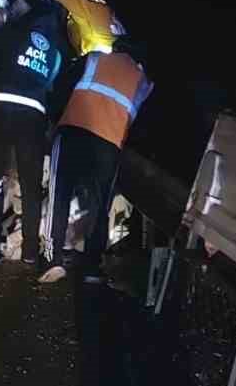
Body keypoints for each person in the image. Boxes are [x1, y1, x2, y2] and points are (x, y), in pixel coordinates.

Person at [0, 0, 72, 267]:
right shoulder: (55, 41)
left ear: (25, 2)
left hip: (1, 106)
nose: (12, 5)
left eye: (15, 0)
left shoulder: (13, 29)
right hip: (33, 113)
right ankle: (30, 252)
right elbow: (54, 79)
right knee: (30, 184)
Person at [39, 35, 152, 284]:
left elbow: (61, 87)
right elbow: (141, 125)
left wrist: (55, 120)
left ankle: (51, 260)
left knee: (60, 195)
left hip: (73, 130)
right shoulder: (143, 82)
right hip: (109, 144)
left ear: (115, 49)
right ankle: (91, 266)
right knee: (100, 207)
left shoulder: (94, 59)